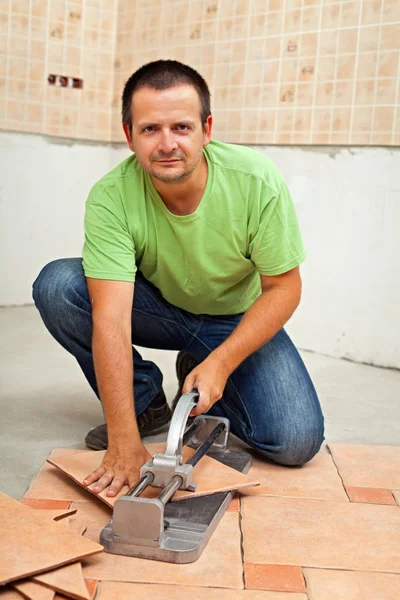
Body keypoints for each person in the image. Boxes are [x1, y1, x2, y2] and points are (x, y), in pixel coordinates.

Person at [33, 60, 324, 500]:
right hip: (160, 309)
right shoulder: (111, 197)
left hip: (233, 318)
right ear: (129, 136)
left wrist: (222, 363)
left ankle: (201, 367)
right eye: (150, 129)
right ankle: (146, 403)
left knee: (295, 441)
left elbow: (284, 288)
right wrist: (124, 439)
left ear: (206, 129)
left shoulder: (255, 181)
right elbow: (111, 319)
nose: (167, 144)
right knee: (59, 285)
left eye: (182, 128)